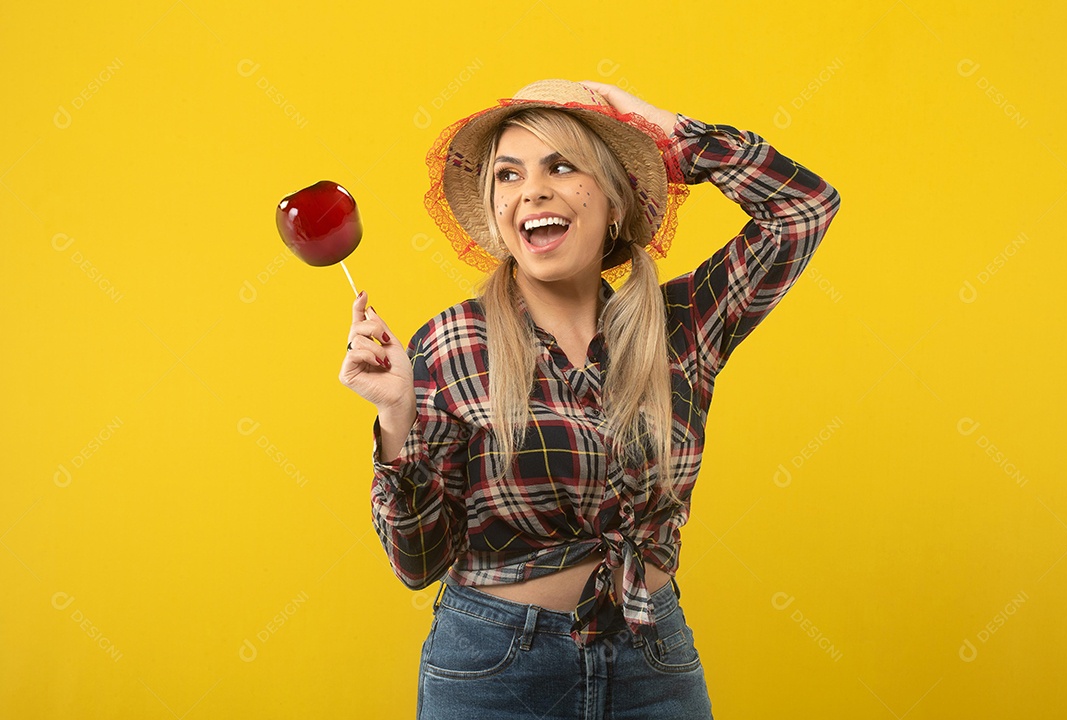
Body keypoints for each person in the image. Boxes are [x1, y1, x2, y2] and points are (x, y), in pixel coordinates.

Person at [339, 79, 840, 719]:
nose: (533, 190)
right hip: (496, 669)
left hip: (651, 657)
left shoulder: (680, 325)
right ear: (496, 211)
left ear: (613, 200)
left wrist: (663, 131)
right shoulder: (453, 343)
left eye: (563, 165)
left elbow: (803, 209)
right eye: (509, 174)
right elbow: (416, 562)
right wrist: (394, 420)